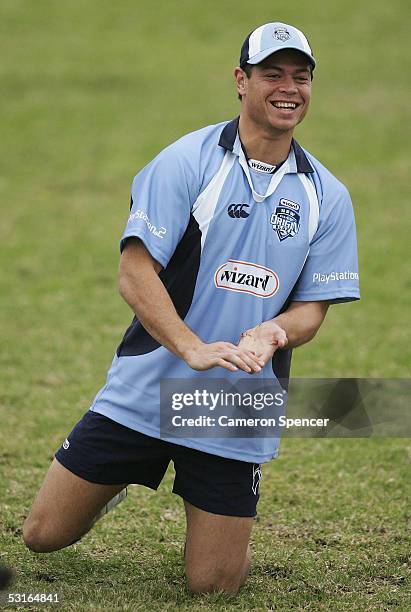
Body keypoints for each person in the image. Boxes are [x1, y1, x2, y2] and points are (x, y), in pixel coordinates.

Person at [22, 22, 360, 594]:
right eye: (271, 74)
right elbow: (134, 273)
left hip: (234, 407)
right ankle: (126, 474)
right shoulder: (187, 161)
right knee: (42, 535)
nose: (288, 88)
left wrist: (273, 334)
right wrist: (191, 348)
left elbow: (312, 308)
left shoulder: (327, 194)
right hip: (148, 385)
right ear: (240, 81)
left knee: (215, 587)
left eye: (300, 77)